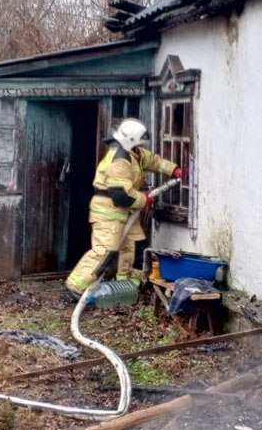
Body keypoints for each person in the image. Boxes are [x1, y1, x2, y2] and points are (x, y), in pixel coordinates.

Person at [65, 118, 181, 300]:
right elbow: (121, 195)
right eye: (140, 141)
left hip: (124, 211)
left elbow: (152, 161)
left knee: (135, 245)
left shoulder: (134, 153)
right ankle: (75, 287)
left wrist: (173, 170)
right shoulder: (119, 160)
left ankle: (126, 283)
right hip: (108, 212)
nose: (142, 145)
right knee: (105, 251)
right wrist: (145, 198)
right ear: (132, 140)